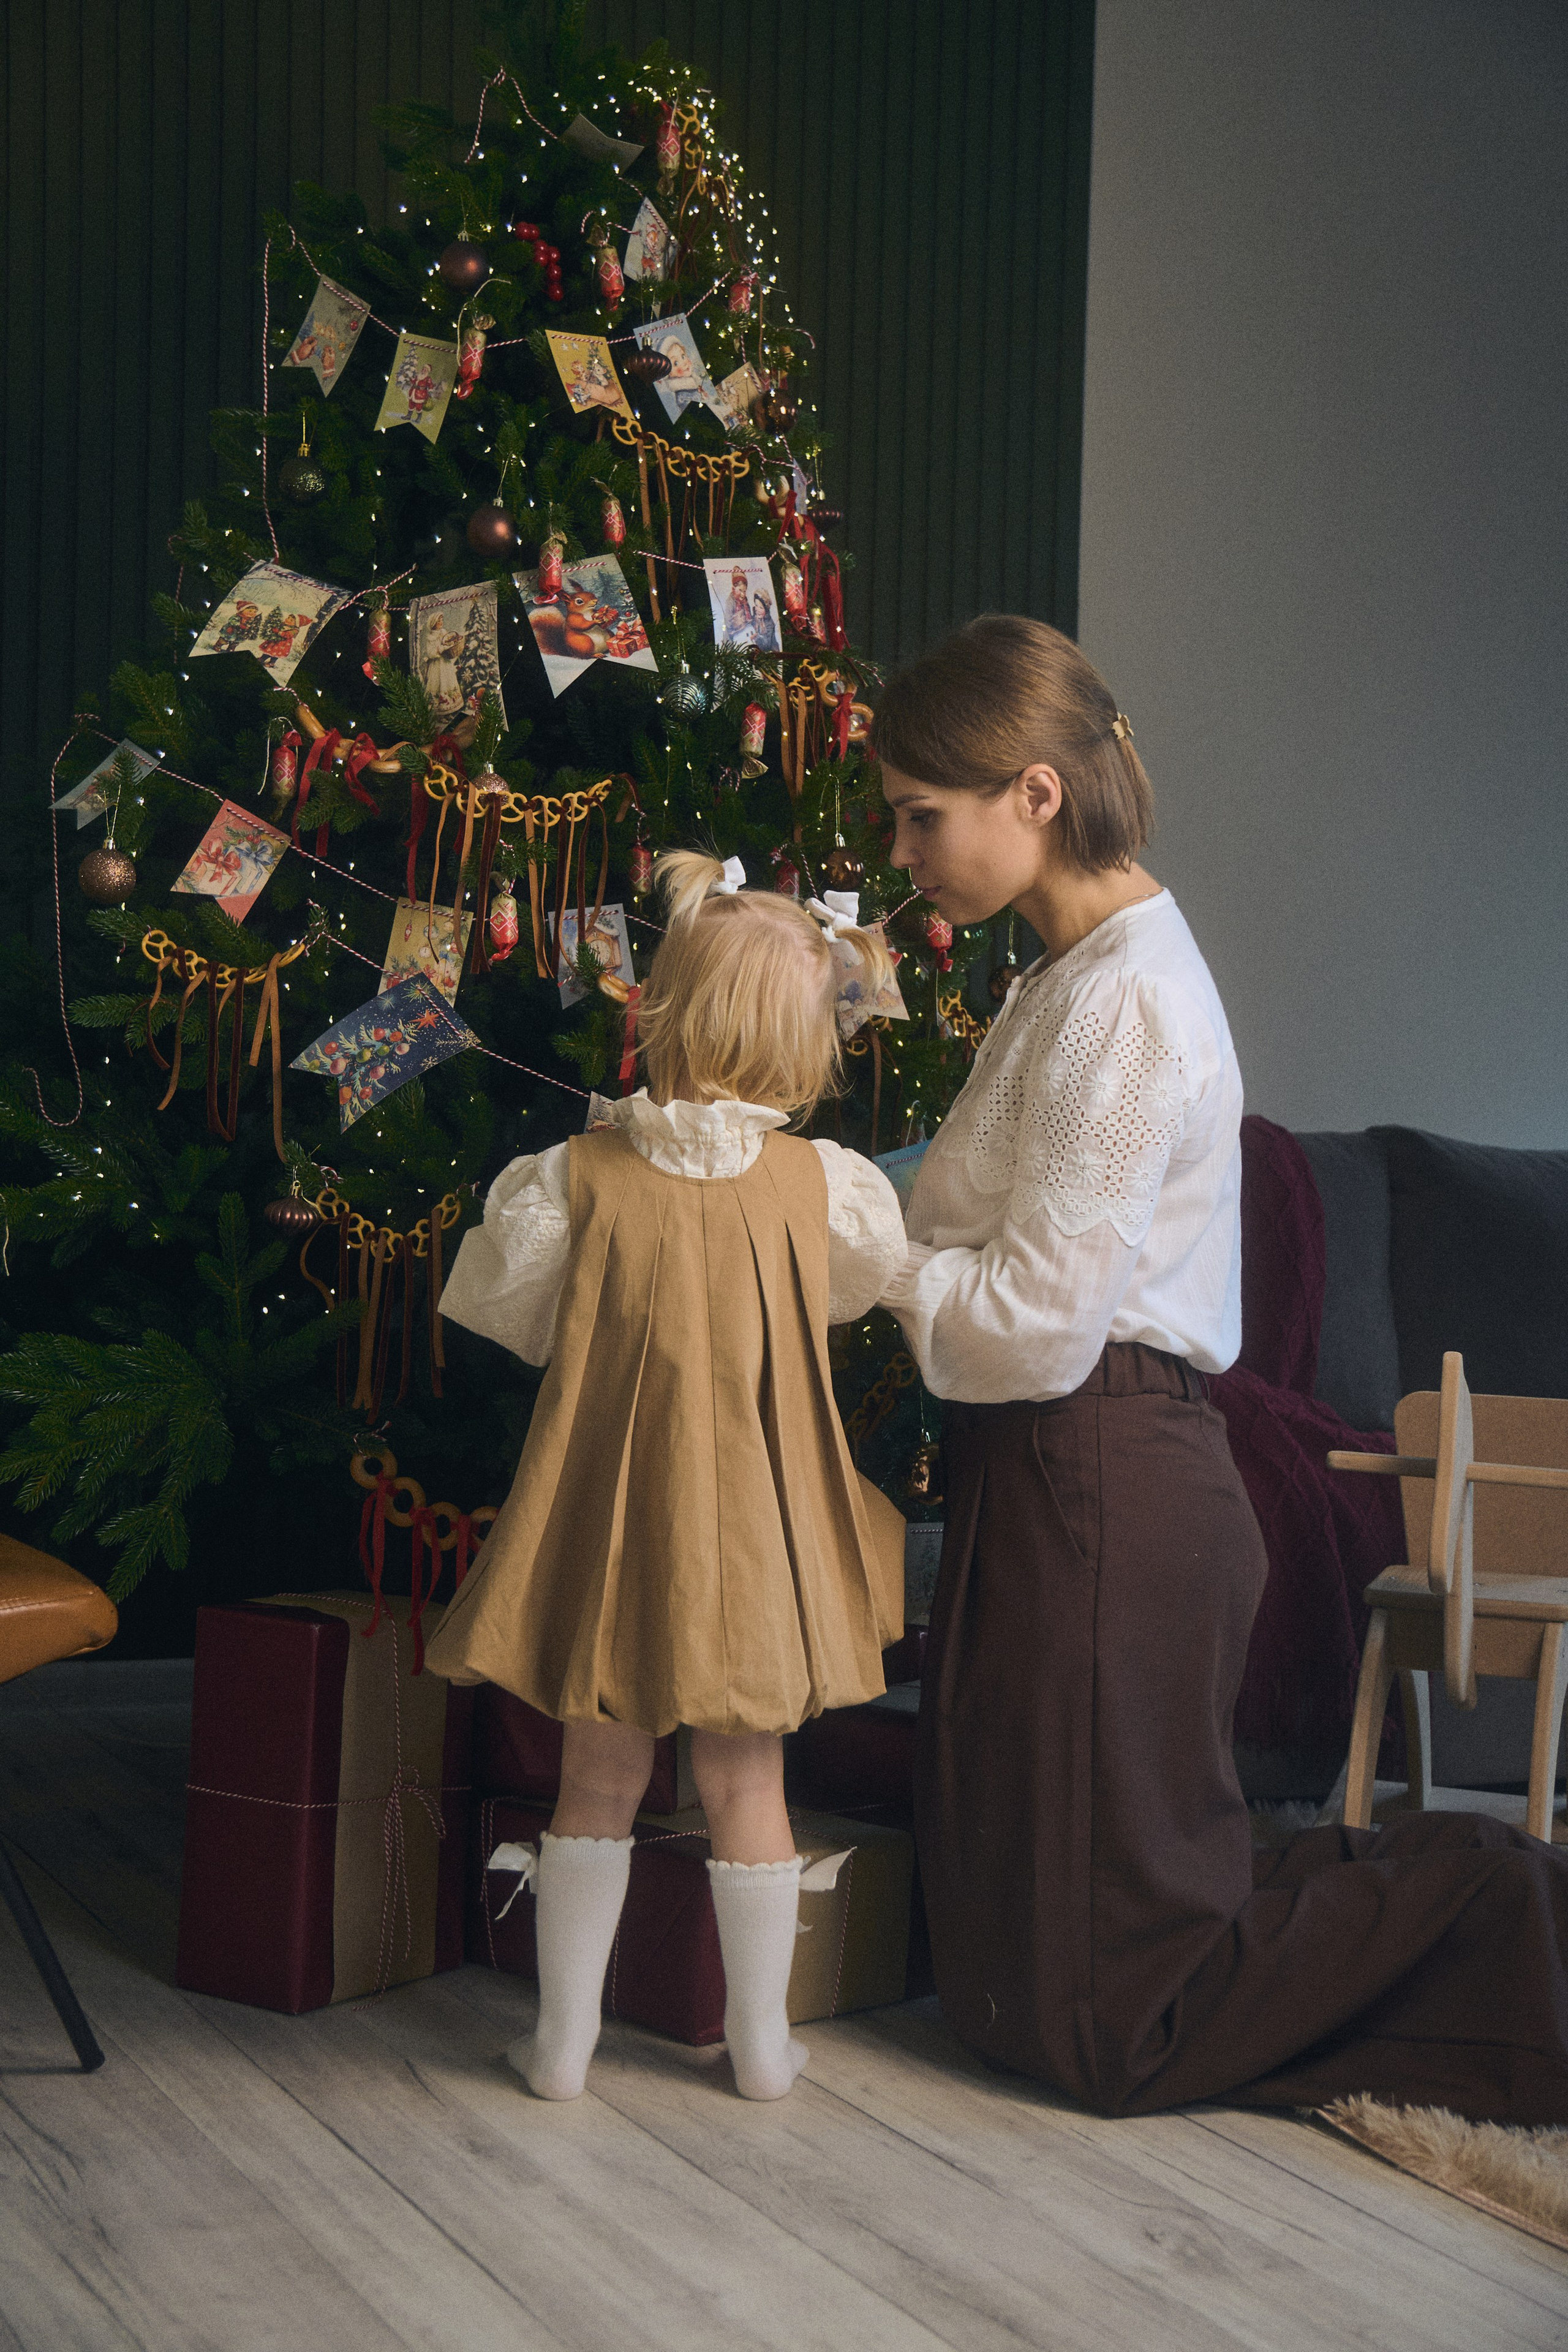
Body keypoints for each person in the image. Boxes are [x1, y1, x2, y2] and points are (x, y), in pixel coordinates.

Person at [873, 612, 1568, 2124]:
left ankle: (1508, 1915)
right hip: (1042, 1466)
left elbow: (1039, 1323)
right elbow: (964, 1234)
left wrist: (862, 1258)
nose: (903, 850)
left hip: (1100, 1464)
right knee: (1014, 1986)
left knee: (1119, 2023)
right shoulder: (1052, 980)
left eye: (922, 814)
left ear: (1034, 794)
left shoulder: (1123, 1000)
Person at [425, 853, 908, 2103]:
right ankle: (758, 2051)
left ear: (661, 1013)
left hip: (614, 1520)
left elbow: (501, 1314)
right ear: (807, 1044)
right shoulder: (830, 1188)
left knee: (595, 1776)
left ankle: (561, 2047)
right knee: (750, 1781)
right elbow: (855, 1292)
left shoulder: (568, 1178)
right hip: (762, 1530)